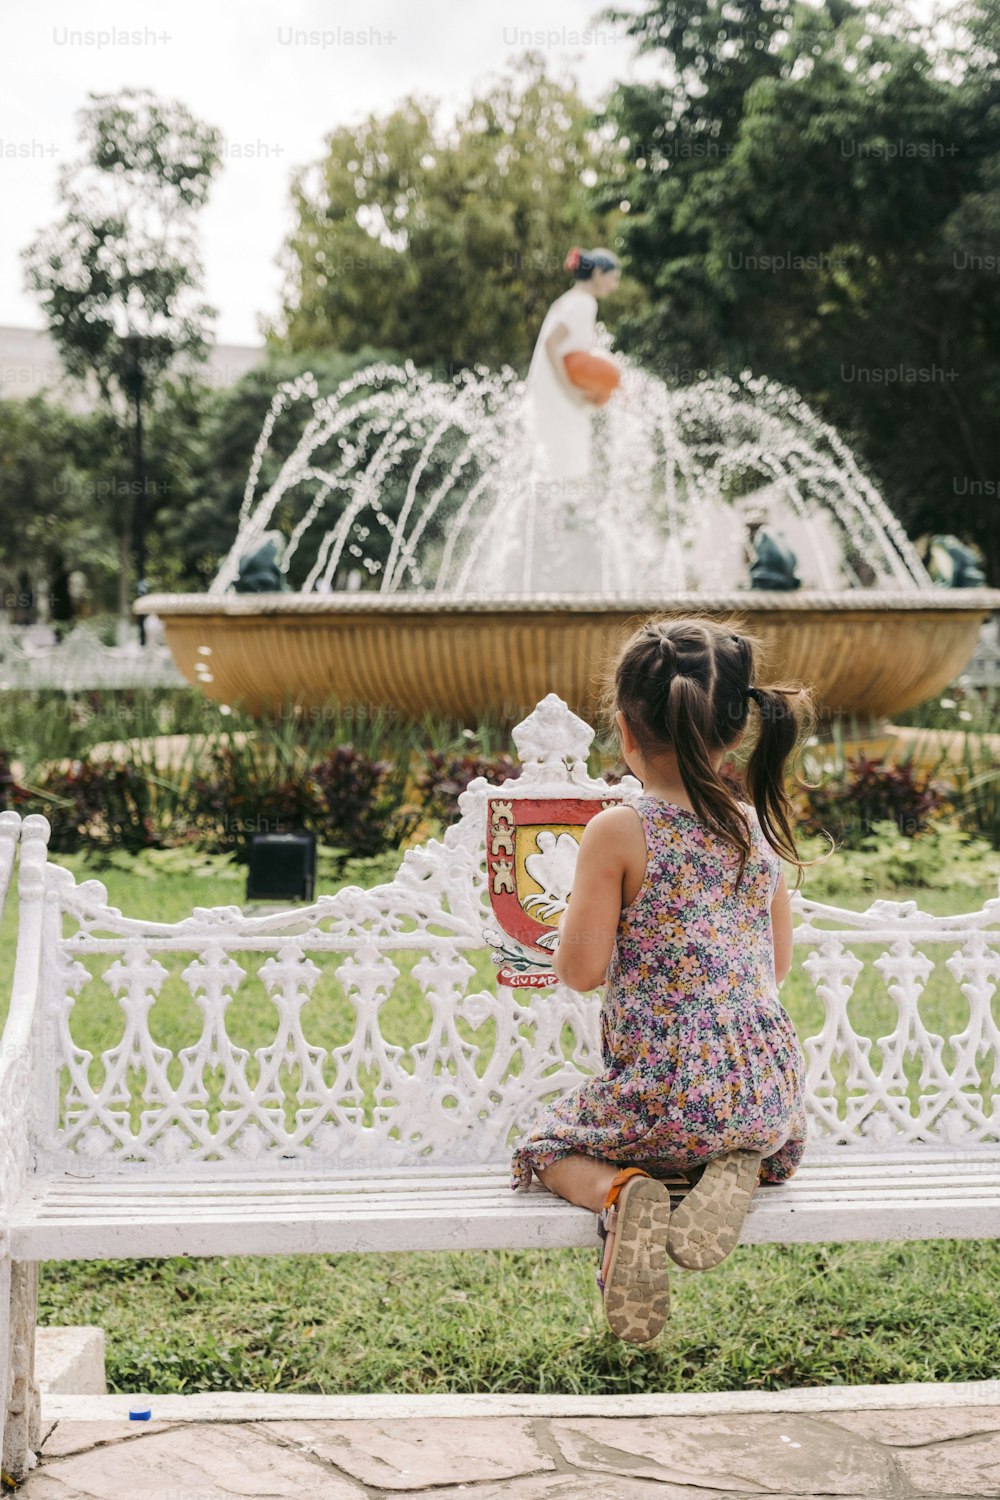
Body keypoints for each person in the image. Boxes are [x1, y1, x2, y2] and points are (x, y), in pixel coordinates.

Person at [510, 617, 814, 1345]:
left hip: (663, 1088)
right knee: (768, 1125)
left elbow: (580, 972)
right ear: (738, 732)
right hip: (763, 1090)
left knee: (543, 1148)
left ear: (622, 726)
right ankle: (737, 1160)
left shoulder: (619, 829)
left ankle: (624, 1192)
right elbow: (775, 967)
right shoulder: (756, 827)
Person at [525, 247, 621, 483]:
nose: (615, 285)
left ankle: (559, 515)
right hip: (559, 393)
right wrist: (569, 387)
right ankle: (571, 516)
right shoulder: (584, 302)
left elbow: (572, 350)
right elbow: (551, 343)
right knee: (571, 467)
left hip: (547, 390)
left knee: (557, 465)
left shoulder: (569, 299)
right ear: (598, 273)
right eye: (614, 278)